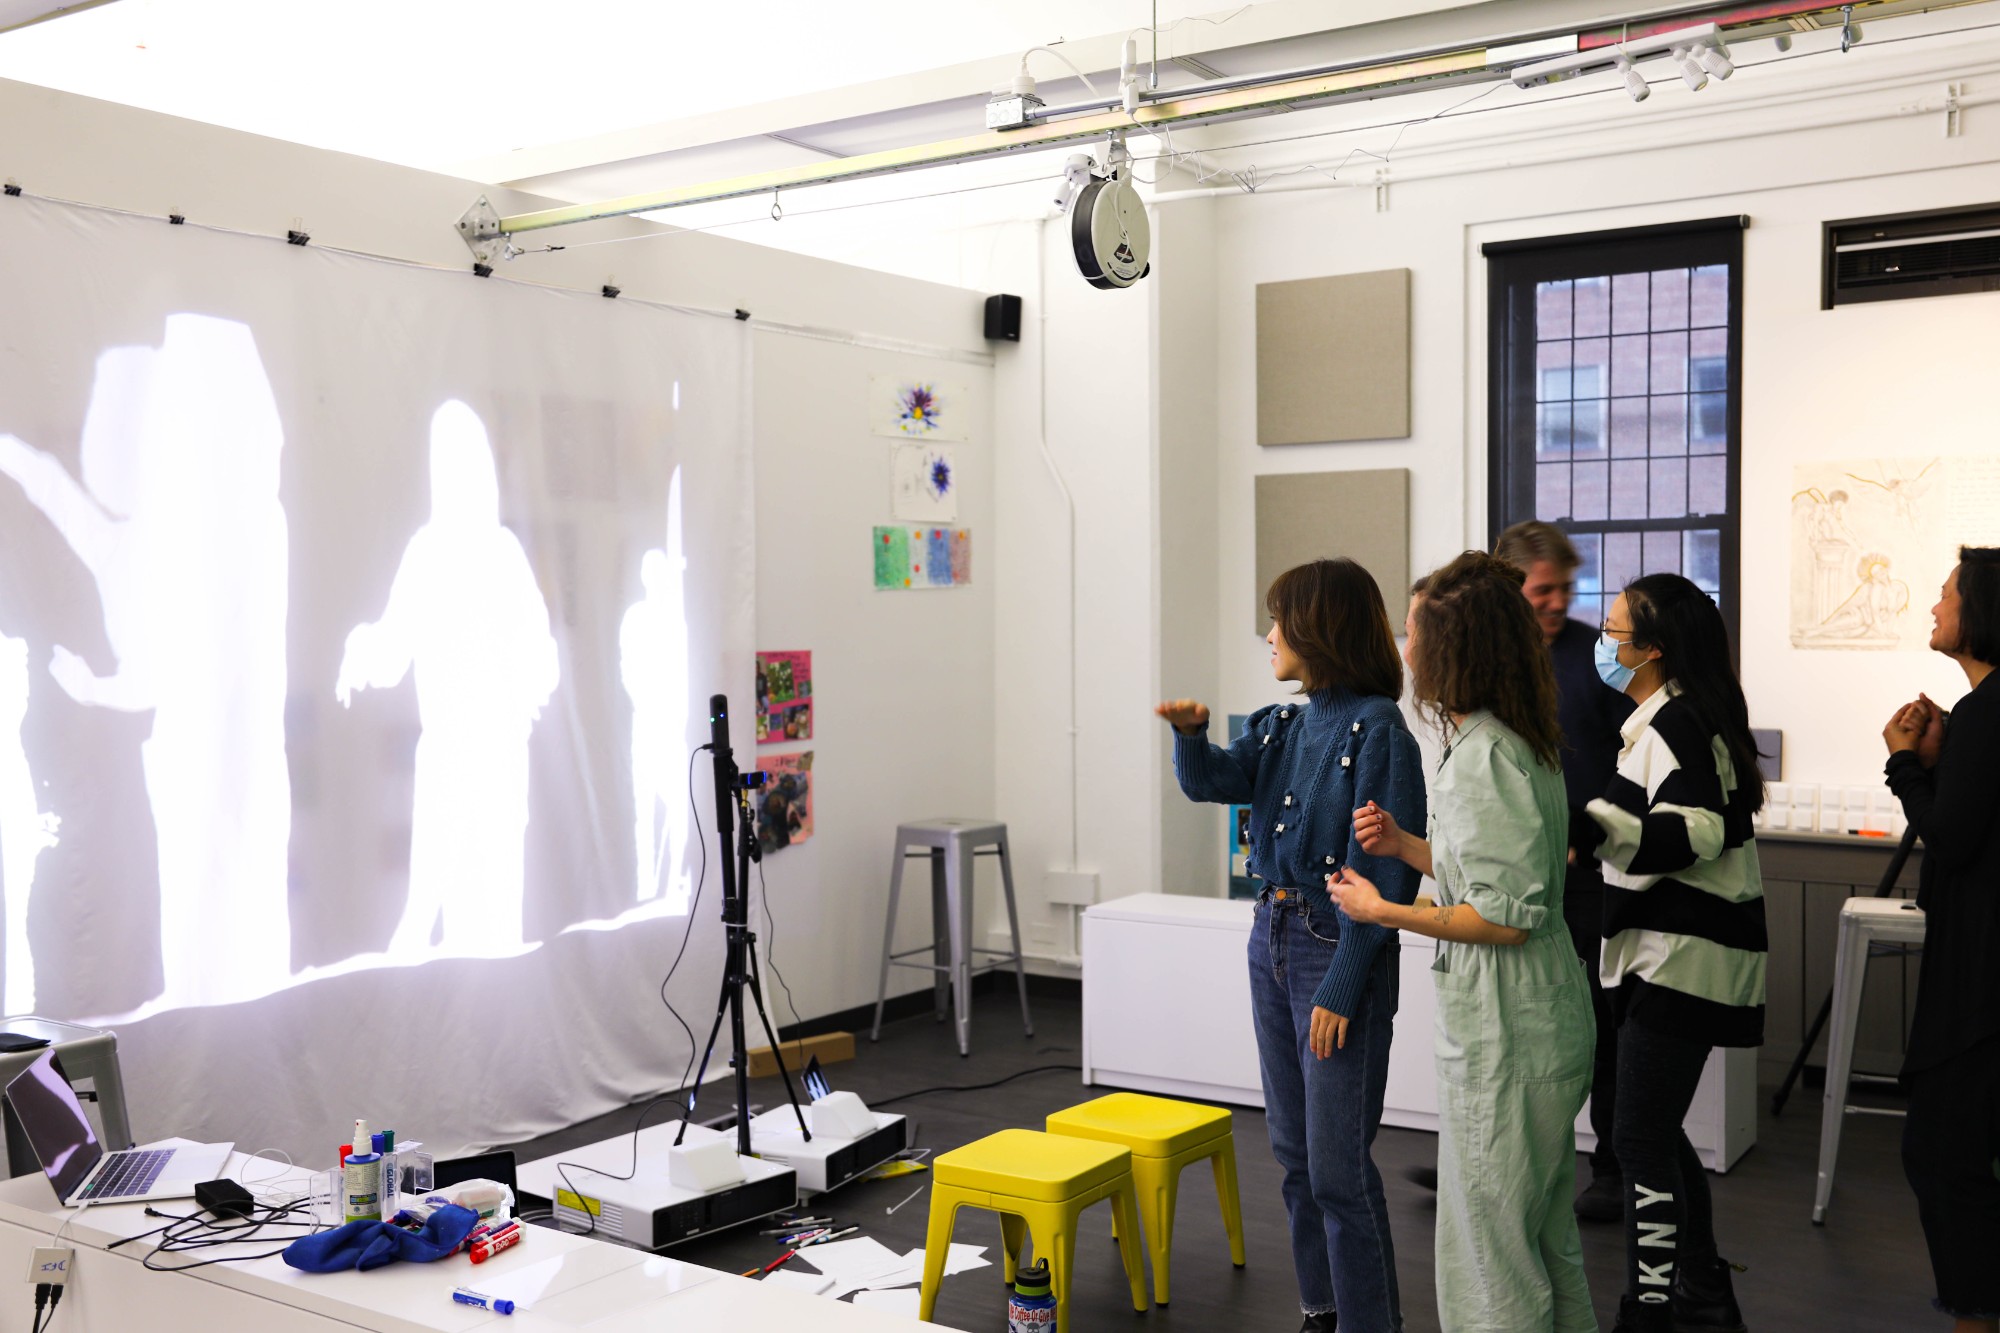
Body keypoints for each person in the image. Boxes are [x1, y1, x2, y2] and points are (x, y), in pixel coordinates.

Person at [1159, 557, 1425, 1333]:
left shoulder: (1379, 730)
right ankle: (1323, 1309)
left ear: (1321, 627)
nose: (1269, 634)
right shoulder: (1281, 722)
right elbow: (1215, 781)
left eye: (1280, 619)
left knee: (1339, 1166)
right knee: (1295, 1153)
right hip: (1269, 935)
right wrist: (1190, 734)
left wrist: (1344, 983)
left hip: (1330, 945)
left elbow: (1385, 878)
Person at [1332, 551, 1595, 1333]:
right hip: (1538, 1021)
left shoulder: (1482, 756)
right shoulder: (1514, 739)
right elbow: (1494, 867)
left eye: (1412, 633)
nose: (1404, 649)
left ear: (1453, 646)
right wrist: (1410, 844)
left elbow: (1502, 916)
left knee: (1490, 1254)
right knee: (1541, 1236)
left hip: (1509, 1033)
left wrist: (1385, 911)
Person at [1582, 574, 1765, 1333]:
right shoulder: (1682, 717)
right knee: (1650, 1129)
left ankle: (1650, 1308)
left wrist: (1590, 823)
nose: (1604, 642)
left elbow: (1698, 832)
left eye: (1614, 630)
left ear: (1650, 650)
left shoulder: (1674, 725)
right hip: (1682, 955)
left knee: (1637, 1138)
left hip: (1681, 955)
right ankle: (1702, 1288)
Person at [1494, 521, 1635, 1220]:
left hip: (1591, 873)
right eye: (1543, 589)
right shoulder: (1488, 661)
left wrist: (1593, 827)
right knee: (1521, 1020)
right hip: (1516, 870)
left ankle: (1610, 1169)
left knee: (1599, 1021)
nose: (1557, 601)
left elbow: (1631, 756)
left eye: (1565, 589)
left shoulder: (1598, 655)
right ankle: (1512, 1154)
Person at [1881, 547, 2000, 1333]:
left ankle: (1975, 1315)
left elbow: (1952, 836)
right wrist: (1940, 755)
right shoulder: (1984, 716)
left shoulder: (1993, 711)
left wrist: (1902, 764)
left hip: (1982, 979)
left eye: (1947, 594)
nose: (1933, 606)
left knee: (1944, 1154)